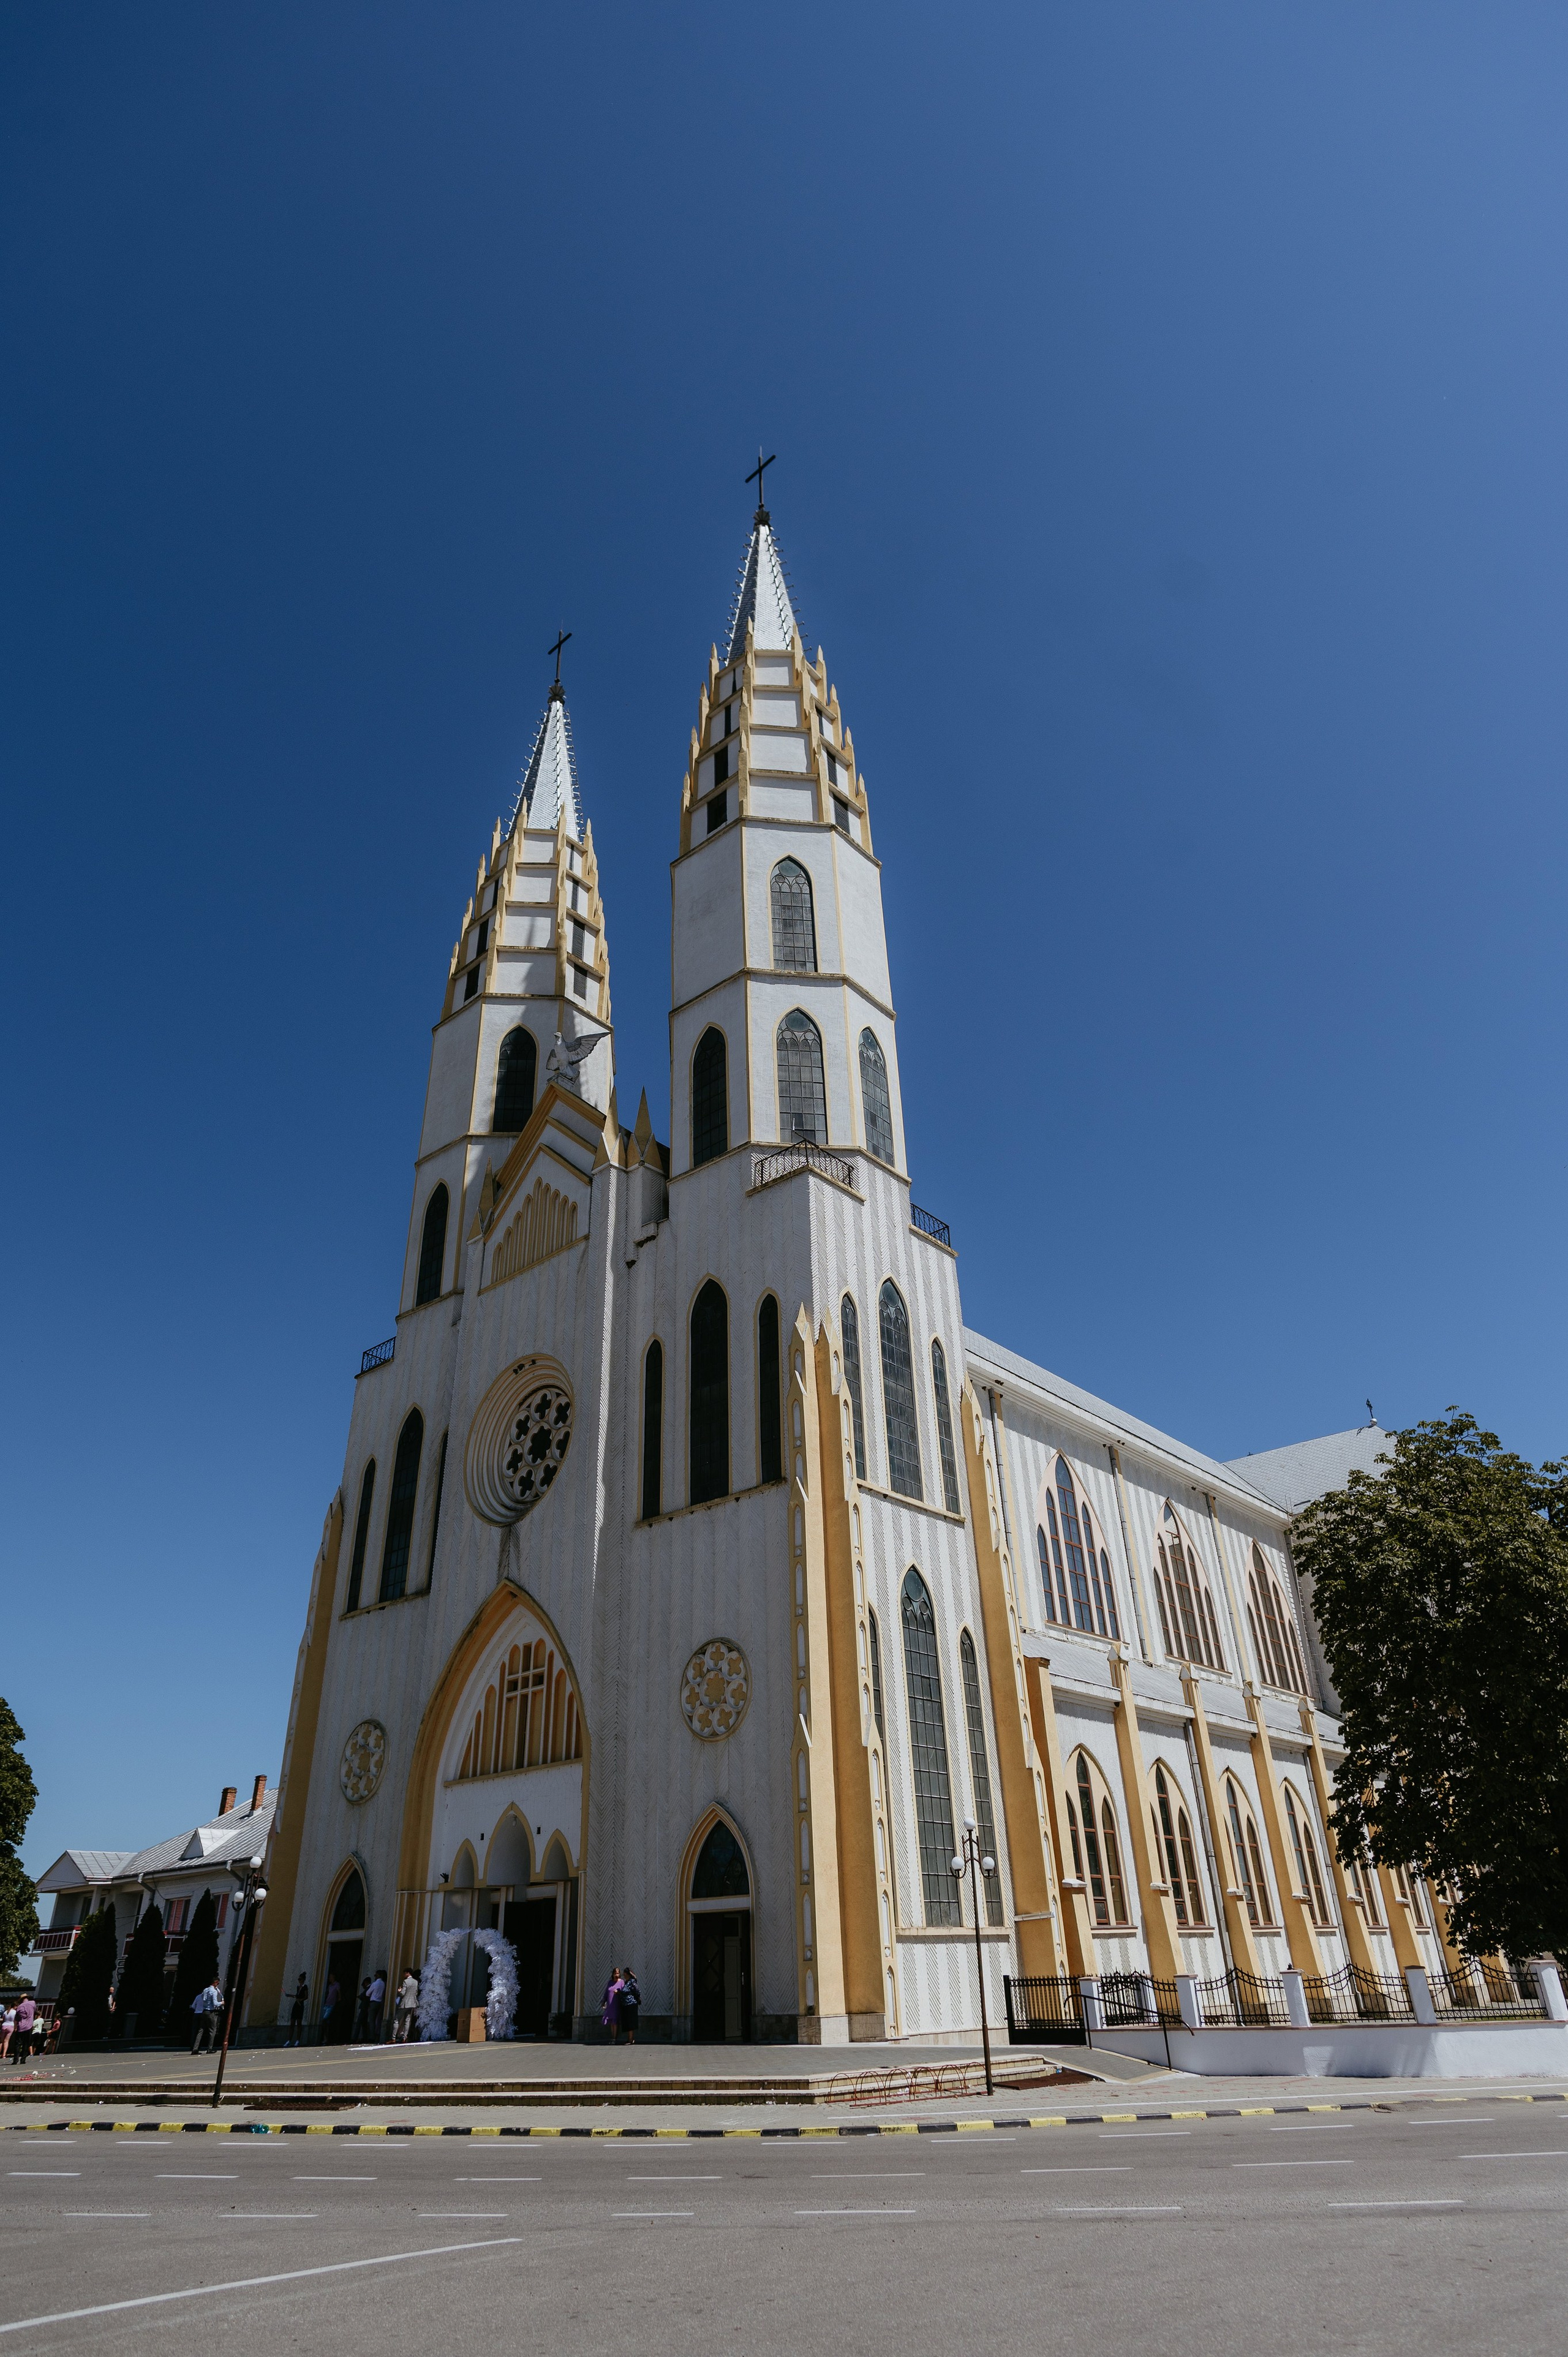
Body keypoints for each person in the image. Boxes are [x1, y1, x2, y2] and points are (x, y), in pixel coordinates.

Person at [190, 1977, 223, 2055]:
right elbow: (215, 2003)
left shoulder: (205, 1990)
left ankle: (195, 2048)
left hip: (203, 2011)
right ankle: (209, 2049)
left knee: (201, 2030)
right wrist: (222, 2003)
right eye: (218, 1983)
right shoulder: (214, 1991)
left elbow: (202, 1999)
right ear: (215, 1983)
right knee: (213, 2030)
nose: (218, 1985)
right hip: (210, 2012)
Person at [618, 1964, 641, 2048]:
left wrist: (637, 1998)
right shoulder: (627, 1982)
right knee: (628, 2022)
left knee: (630, 2022)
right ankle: (630, 2038)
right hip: (626, 2005)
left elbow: (638, 1991)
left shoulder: (632, 1982)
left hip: (631, 2004)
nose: (624, 1976)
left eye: (625, 1975)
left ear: (628, 1974)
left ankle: (631, 2039)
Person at [394, 1969, 419, 2042]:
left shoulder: (406, 1981)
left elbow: (403, 1993)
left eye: (404, 1973)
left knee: (397, 2019)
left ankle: (393, 2038)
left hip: (405, 2003)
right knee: (407, 2020)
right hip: (412, 2004)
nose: (404, 1975)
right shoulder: (416, 1982)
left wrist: (399, 1991)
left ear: (408, 1973)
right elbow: (416, 1993)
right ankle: (405, 2037)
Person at [10, 1995, 36, 2064]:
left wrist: (16, 2027)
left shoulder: (19, 2007)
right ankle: (23, 2060)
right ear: (27, 1998)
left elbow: (17, 2019)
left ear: (21, 2000)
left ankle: (15, 2060)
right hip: (29, 2026)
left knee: (18, 2044)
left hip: (21, 2027)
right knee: (26, 2043)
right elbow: (35, 2011)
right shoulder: (33, 2003)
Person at [366, 1967, 387, 2043]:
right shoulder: (384, 1983)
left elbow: (367, 1993)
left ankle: (372, 2037)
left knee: (372, 2021)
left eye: (375, 1975)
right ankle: (378, 2035)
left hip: (374, 2002)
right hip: (381, 2003)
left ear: (378, 1976)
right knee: (378, 2020)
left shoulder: (375, 1984)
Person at [287, 1973, 309, 2046]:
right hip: (296, 2005)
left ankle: (297, 2041)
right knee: (292, 2022)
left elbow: (306, 1996)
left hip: (300, 2005)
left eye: (300, 1979)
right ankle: (289, 2040)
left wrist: (301, 2000)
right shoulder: (298, 1987)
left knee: (299, 2023)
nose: (299, 1981)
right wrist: (290, 1995)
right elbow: (296, 1996)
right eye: (298, 1979)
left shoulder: (305, 1987)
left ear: (303, 1980)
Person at [321, 1972, 341, 2040]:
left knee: (325, 2019)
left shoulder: (337, 1984)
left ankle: (327, 2037)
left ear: (333, 1977)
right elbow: (327, 1993)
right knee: (326, 2022)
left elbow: (339, 1992)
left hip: (331, 2005)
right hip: (327, 2004)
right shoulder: (330, 1986)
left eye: (330, 1977)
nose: (329, 1978)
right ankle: (325, 2037)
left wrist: (339, 1999)